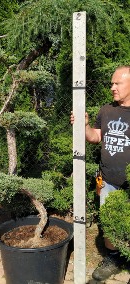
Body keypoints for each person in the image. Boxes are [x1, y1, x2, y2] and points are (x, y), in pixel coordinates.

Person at [70, 65, 130, 281]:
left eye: (117, 83)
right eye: (112, 83)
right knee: (109, 221)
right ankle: (114, 258)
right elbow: (96, 136)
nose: (112, 87)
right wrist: (85, 126)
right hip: (108, 181)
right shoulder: (106, 110)